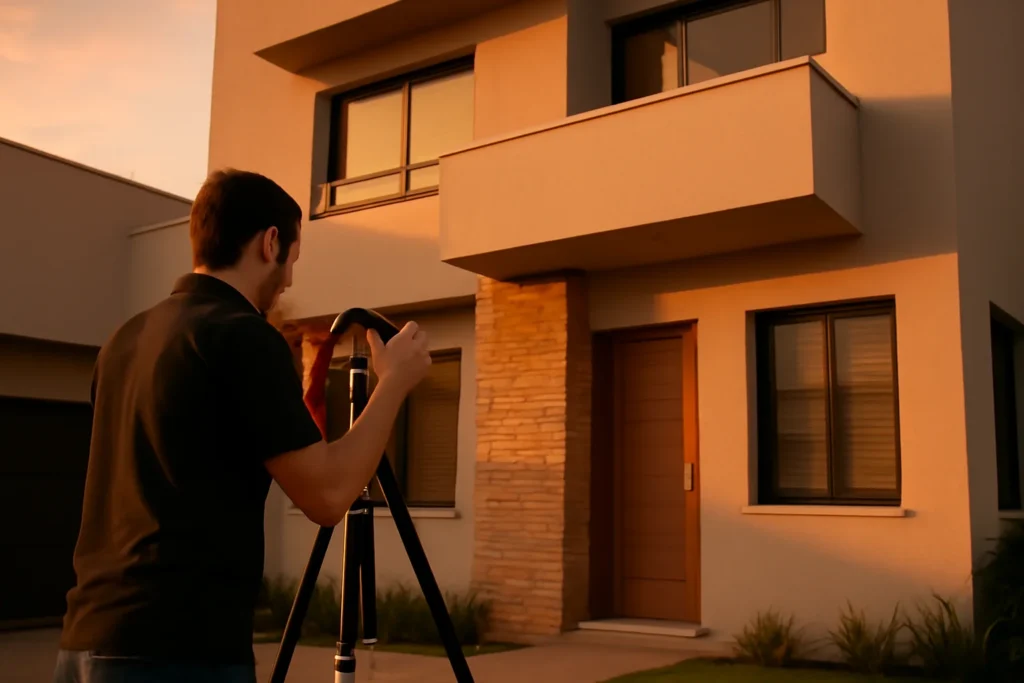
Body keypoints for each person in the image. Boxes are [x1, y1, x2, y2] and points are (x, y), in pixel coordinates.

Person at [52, 169, 431, 682]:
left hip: (86, 642)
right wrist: (394, 384)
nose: (290, 280)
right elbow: (327, 494)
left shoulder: (125, 340)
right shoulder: (242, 337)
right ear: (270, 242)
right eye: (293, 259)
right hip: (179, 652)